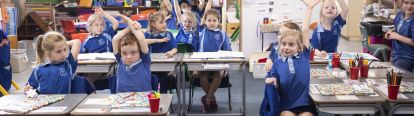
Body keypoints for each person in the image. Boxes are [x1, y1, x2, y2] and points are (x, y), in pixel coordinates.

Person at [385, 0, 414, 72]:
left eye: (413, 3)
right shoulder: (399, 15)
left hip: (408, 57)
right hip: (395, 53)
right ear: (402, 3)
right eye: (406, 3)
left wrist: (397, 36)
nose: (409, 6)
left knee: (394, 76)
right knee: (390, 76)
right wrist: (390, 33)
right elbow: (397, 30)